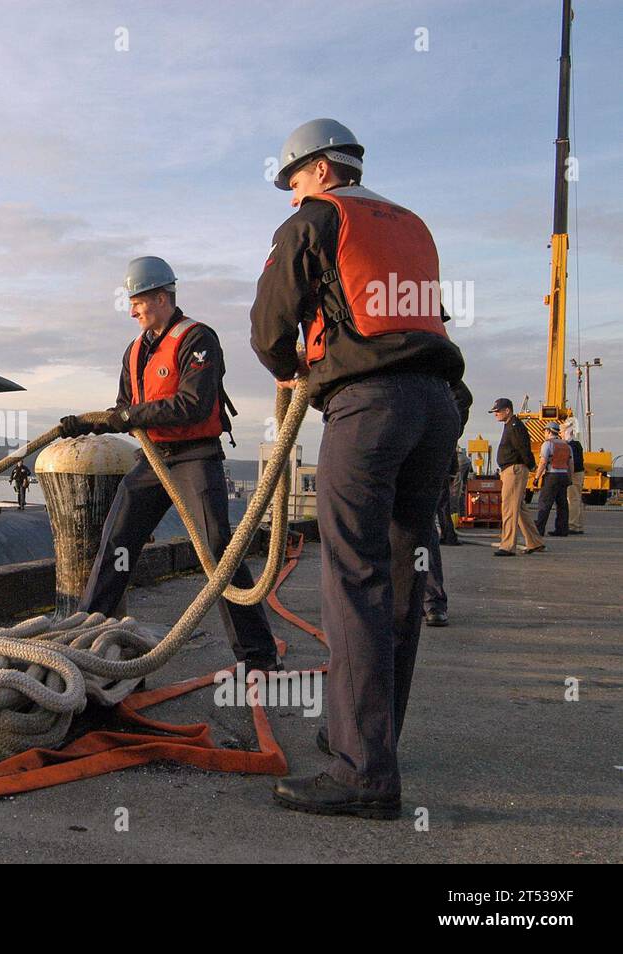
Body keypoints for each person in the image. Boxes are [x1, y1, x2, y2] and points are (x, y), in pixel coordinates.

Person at [250, 119, 464, 819]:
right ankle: (368, 740)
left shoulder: (316, 221)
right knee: (403, 581)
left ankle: (364, 772)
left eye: (293, 181)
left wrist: (295, 377)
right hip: (437, 405)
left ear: (318, 170)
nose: (291, 196)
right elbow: (429, 317)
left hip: (369, 408)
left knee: (353, 580)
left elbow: (270, 327)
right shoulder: (410, 224)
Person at [61, 255, 278, 675]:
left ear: (162, 297)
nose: (132, 310)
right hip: (154, 460)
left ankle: (258, 657)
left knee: (218, 552)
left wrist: (128, 417)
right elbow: (128, 408)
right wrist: (102, 420)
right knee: (117, 543)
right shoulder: (135, 351)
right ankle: (84, 643)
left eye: (138, 301)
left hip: (195, 457)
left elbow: (193, 405)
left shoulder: (197, 339)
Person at [422, 384, 473, 627]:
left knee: (421, 537)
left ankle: (428, 599)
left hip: (418, 465)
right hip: (425, 463)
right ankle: (428, 600)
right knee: (421, 538)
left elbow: (462, 397)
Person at [491, 398, 543, 556]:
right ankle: (535, 542)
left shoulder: (514, 426)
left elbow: (523, 447)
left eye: (498, 411)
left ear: (508, 410)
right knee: (519, 508)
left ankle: (507, 545)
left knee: (509, 509)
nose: (496, 414)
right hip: (512, 469)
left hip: (514, 470)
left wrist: (530, 464)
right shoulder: (511, 425)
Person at [534, 421, 572, 537]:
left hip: (552, 475)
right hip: (564, 476)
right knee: (562, 504)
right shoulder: (567, 445)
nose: (544, 433)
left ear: (549, 431)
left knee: (545, 503)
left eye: (545, 431)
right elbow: (571, 463)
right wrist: (570, 478)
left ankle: (539, 529)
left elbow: (543, 461)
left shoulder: (547, 444)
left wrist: (537, 477)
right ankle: (562, 529)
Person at [563, 417, 586, 534]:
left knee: (572, 499)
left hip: (574, 474)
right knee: (577, 499)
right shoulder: (577, 445)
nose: (561, 434)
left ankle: (573, 525)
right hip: (579, 473)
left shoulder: (571, 445)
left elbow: (573, 462)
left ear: (568, 432)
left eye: (563, 431)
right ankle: (578, 525)